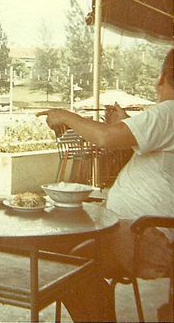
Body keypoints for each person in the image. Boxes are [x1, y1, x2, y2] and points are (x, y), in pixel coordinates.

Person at [36, 48, 174, 322]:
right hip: (147, 232)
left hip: (145, 236)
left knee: (64, 261)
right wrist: (126, 124)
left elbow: (106, 137)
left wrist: (64, 115)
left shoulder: (169, 110)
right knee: (67, 254)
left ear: (164, 78)